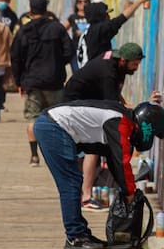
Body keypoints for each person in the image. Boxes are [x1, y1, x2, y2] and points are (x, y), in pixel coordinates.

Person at [33, 100, 164, 249]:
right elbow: (122, 161)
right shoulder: (120, 122)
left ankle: (81, 233)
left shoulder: (121, 119)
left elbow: (114, 160)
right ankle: (75, 237)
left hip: (51, 125)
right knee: (70, 184)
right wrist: (129, 192)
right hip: (53, 127)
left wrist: (126, 189)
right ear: (148, 126)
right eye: (154, 134)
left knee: (72, 182)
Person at [63, 42, 159, 209]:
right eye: (134, 64)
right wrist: (146, 105)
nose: (136, 68)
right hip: (75, 104)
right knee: (93, 148)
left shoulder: (116, 62)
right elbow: (115, 105)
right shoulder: (108, 72)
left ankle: (87, 190)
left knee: (95, 147)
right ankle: (85, 196)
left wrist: (134, 104)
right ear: (123, 60)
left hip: (86, 101)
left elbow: (116, 96)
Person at [10, 0, 72, 166]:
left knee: (33, 119)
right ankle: (58, 154)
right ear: (46, 9)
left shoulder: (24, 30)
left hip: (32, 82)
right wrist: (57, 64)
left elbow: (15, 57)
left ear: (30, 10)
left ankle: (34, 156)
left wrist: (18, 81)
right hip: (55, 81)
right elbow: (69, 52)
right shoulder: (57, 28)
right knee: (58, 118)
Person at [77, 0, 151, 68]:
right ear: (99, 16)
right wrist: (139, 1)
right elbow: (119, 20)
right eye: (106, 14)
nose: (109, 17)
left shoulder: (92, 30)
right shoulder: (98, 30)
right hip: (93, 76)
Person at [65, 0, 91, 74]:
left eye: (85, 1)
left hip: (89, 50)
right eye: (80, 1)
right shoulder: (73, 17)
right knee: (77, 74)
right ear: (76, 4)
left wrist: (84, 32)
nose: (82, 3)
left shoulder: (92, 17)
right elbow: (62, 30)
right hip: (76, 50)